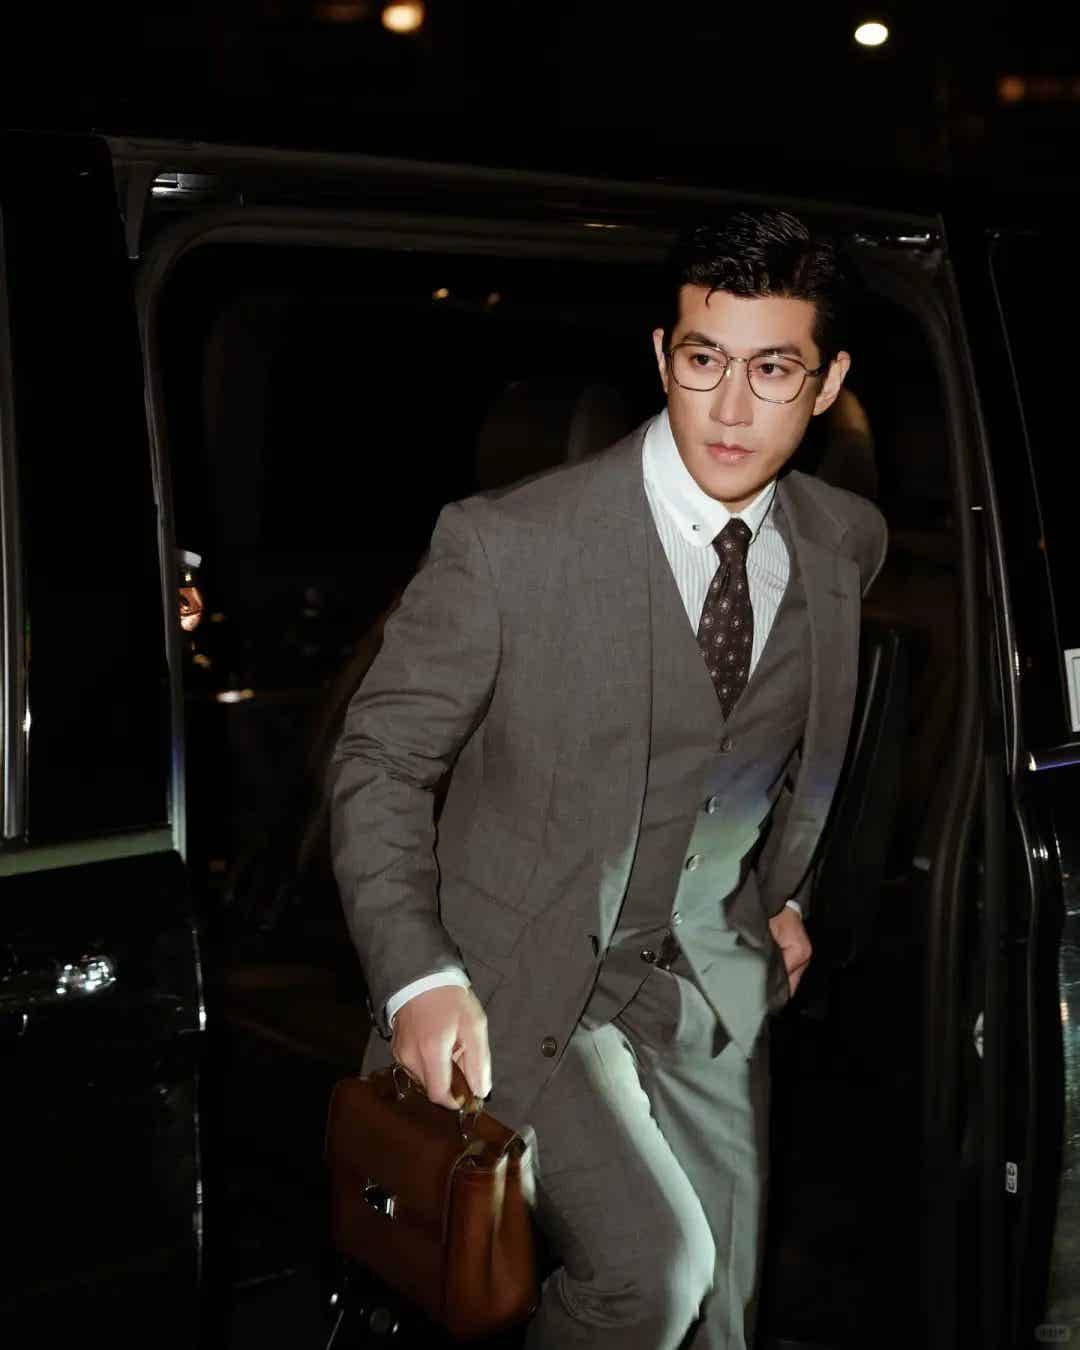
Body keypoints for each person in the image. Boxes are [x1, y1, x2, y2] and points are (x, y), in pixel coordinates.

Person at [329, 207, 888, 1350]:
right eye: (704, 361)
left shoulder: (844, 544)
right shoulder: (509, 547)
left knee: (722, 1316)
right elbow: (379, 759)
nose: (730, 409)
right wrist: (417, 975)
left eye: (773, 370)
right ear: (661, 356)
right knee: (655, 1279)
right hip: (526, 983)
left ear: (828, 383)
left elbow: (801, 748)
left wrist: (787, 892)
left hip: (712, 984)